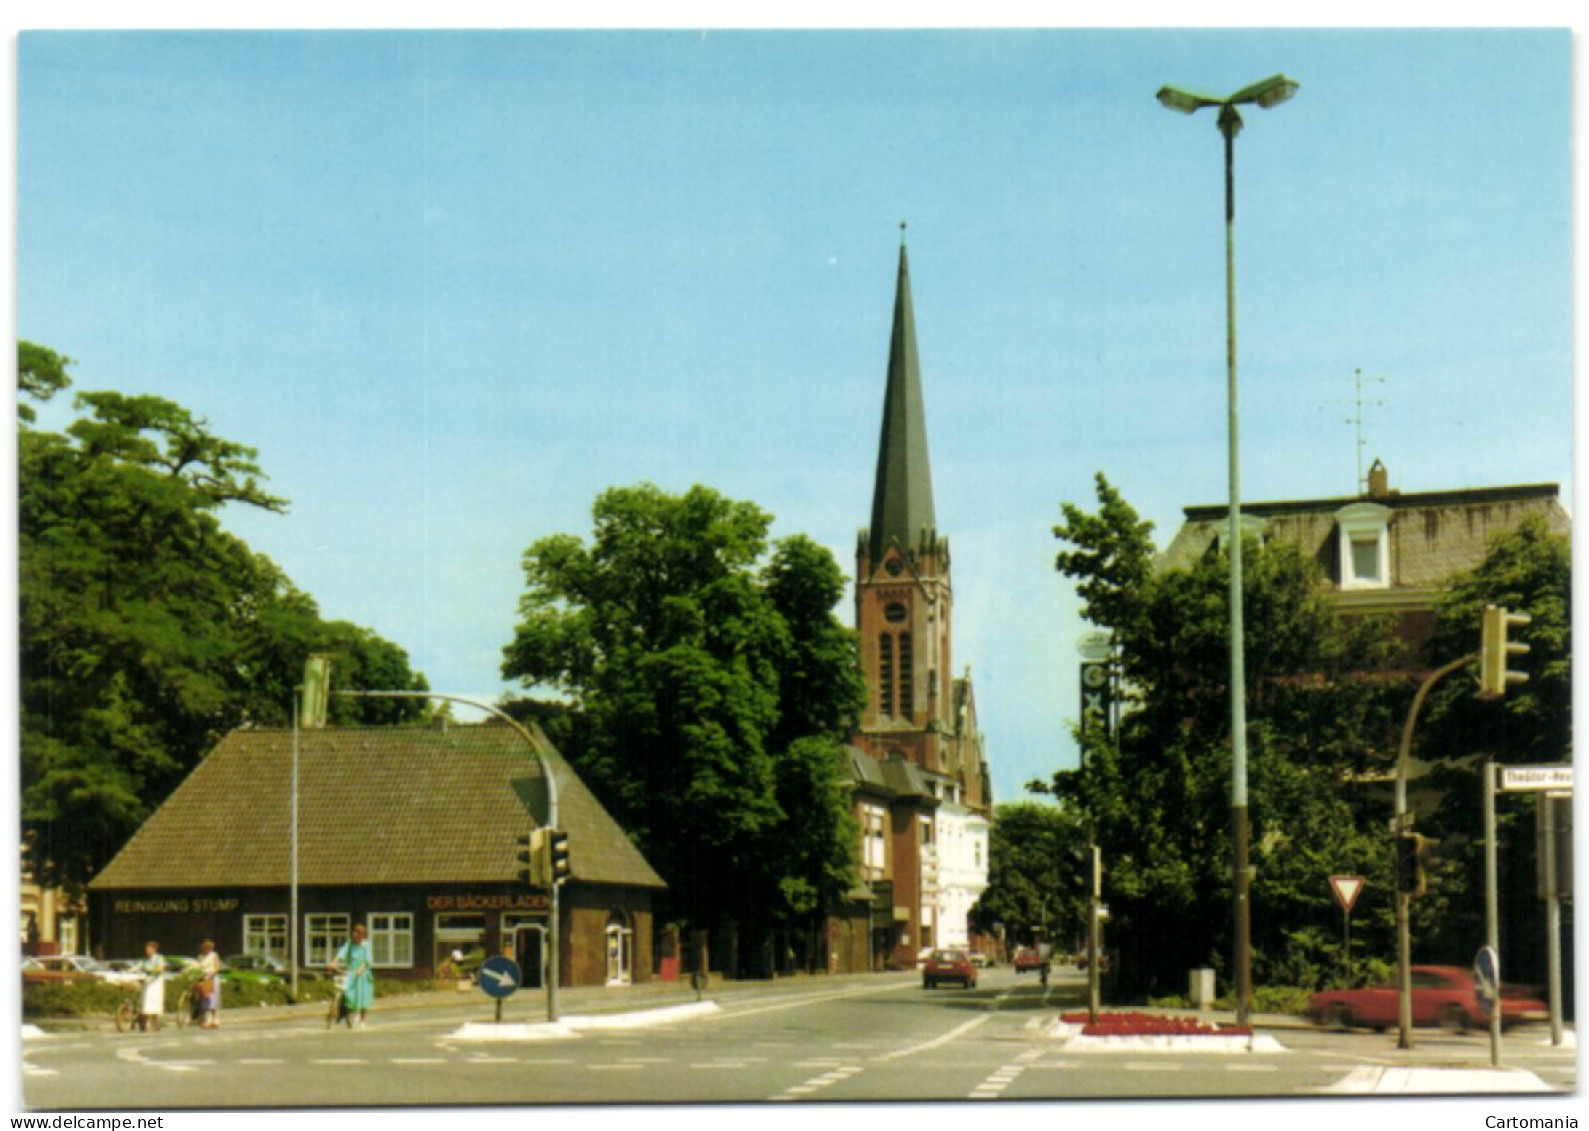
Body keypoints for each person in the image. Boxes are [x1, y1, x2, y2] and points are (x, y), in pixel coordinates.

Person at [330, 924, 374, 1029]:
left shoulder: (366, 945)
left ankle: (362, 1020)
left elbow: (367, 960)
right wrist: (333, 962)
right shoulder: (349, 944)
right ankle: (349, 1013)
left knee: (364, 997)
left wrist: (361, 968)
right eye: (354, 933)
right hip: (351, 972)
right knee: (349, 995)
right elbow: (341, 954)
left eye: (358, 934)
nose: (355, 936)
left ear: (362, 935)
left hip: (363, 974)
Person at [138, 940, 167, 1032]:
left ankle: (155, 1022)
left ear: (154, 950)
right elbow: (138, 966)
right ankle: (145, 1023)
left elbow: (161, 968)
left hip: (156, 983)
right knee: (145, 1002)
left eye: (149, 949)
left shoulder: (159, 958)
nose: (147, 951)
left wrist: (151, 969)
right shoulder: (144, 959)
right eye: (146, 949)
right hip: (147, 982)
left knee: (155, 1002)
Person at [195, 940, 222, 1029]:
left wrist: (211, 973)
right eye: (205, 948)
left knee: (212, 999)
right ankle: (203, 1019)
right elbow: (197, 967)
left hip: (212, 979)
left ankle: (214, 1019)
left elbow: (217, 967)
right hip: (203, 978)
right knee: (203, 999)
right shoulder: (200, 957)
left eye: (208, 948)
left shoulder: (214, 955)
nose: (207, 949)